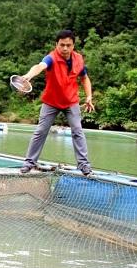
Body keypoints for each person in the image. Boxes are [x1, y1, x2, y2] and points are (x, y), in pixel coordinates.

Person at [20, 29, 95, 176]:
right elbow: (39, 66)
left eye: (68, 45)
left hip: (71, 101)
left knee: (78, 131)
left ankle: (84, 165)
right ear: (56, 44)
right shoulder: (51, 58)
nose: (65, 48)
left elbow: (84, 78)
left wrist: (89, 96)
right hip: (51, 101)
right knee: (41, 131)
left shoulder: (79, 59)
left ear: (73, 45)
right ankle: (29, 163)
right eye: (62, 45)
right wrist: (29, 75)